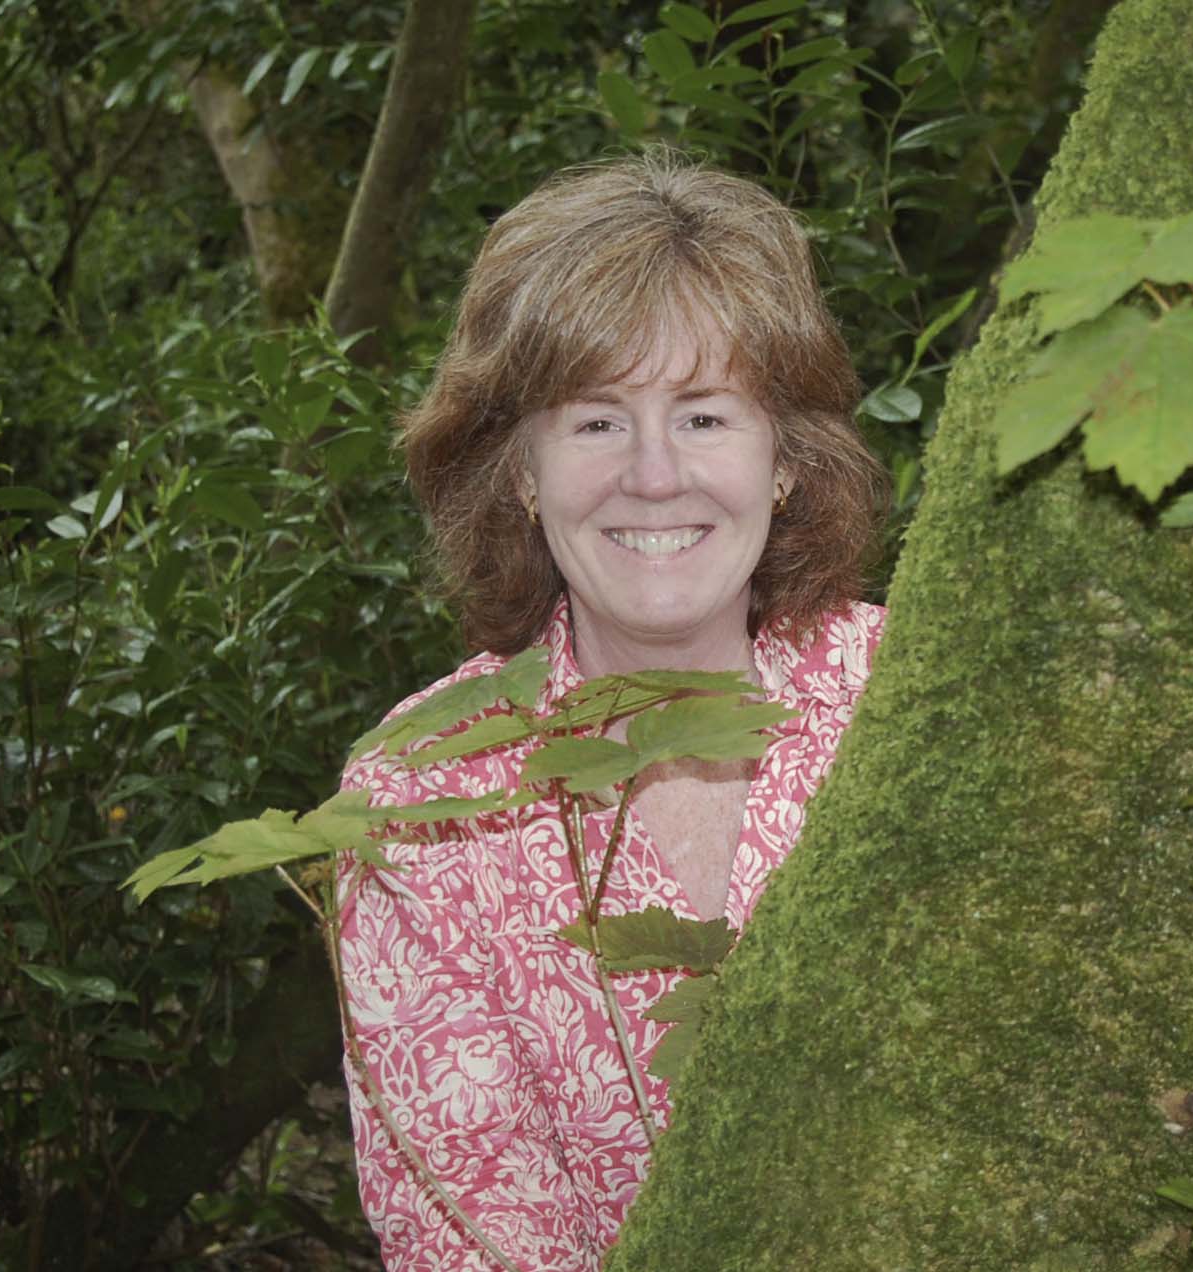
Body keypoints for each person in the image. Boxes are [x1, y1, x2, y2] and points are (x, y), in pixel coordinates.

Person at [334, 150, 888, 1271]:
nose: (652, 475)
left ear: (784, 459)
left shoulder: (912, 702)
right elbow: (471, 1238)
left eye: (703, 416)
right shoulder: (420, 802)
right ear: (521, 474)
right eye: (594, 422)